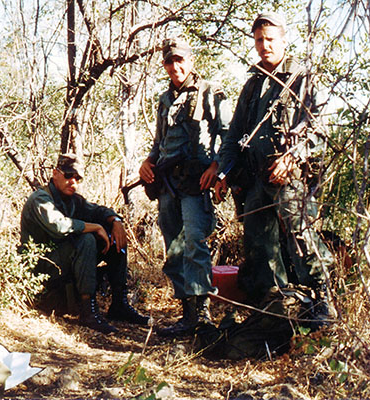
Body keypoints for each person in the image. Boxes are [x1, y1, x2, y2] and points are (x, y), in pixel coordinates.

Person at [215, 12, 334, 319]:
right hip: (256, 180)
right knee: (260, 249)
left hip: (290, 178)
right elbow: (233, 136)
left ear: (283, 40)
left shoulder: (302, 79)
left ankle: (325, 306)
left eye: (270, 39)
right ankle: (275, 312)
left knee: (302, 241)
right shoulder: (253, 85)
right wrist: (223, 172)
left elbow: (319, 130)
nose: (264, 46)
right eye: (258, 40)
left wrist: (292, 157)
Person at [138, 37, 230, 337]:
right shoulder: (164, 100)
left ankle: (201, 315)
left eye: (179, 60)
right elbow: (159, 142)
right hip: (167, 183)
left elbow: (228, 135)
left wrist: (217, 168)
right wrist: (147, 162)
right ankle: (187, 313)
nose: (174, 66)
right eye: (169, 61)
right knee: (174, 250)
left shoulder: (210, 92)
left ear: (190, 61)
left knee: (195, 243)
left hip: (196, 182)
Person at [20, 154, 149, 334]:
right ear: (55, 173)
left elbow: (97, 210)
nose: (73, 182)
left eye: (77, 178)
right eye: (68, 175)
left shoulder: (73, 200)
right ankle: (88, 311)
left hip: (62, 262)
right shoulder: (40, 199)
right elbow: (59, 226)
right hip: (41, 267)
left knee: (115, 235)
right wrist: (95, 227)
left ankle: (119, 304)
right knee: (86, 238)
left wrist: (116, 221)